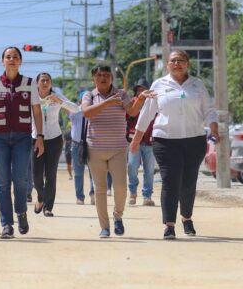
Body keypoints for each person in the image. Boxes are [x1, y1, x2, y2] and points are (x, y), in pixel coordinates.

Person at [131, 49, 218, 240]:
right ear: (167, 64)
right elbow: (147, 114)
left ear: (187, 64)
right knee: (170, 181)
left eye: (181, 60)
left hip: (194, 140)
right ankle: (169, 225)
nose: (177, 63)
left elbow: (209, 110)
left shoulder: (197, 85)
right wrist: (136, 140)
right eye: (173, 60)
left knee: (188, 182)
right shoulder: (159, 84)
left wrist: (214, 129)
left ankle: (187, 218)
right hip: (165, 140)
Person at [0, 46, 44, 239]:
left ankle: (21, 212)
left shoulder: (29, 83)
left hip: (22, 138)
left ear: (21, 61)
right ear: (2, 61)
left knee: (20, 179)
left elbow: (37, 112)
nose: (12, 59)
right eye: (8, 57)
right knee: (3, 183)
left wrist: (39, 136)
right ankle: (6, 224)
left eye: (15, 57)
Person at [81, 65, 152, 238]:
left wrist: (141, 99)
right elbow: (87, 113)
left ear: (112, 78)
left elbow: (132, 112)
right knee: (100, 189)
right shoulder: (89, 95)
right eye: (99, 76)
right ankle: (104, 227)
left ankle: (118, 216)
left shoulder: (121, 94)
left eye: (106, 75)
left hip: (118, 149)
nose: (103, 78)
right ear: (93, 79)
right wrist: (107, 102)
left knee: (120, 187)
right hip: (95, 149)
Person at [32, 73, 79, 217]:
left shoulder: (57, 96)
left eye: (48, 80)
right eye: (42, 80)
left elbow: (76, 109)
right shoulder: (32, 97)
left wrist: (59, 101)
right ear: (37, 83)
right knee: (37, 175)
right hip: (35, 138)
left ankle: (48, 207)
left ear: (51, 83)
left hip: (54, 139)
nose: (45, 83)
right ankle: (40, 197)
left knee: (51, 174)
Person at [126, 77, 156, 207]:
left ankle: (147, 196)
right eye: (139, 90)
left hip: (150, 142)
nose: (141, 92)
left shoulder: (154, 103)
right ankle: (132, 193)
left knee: (149, 170)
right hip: (134, 142)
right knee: (132, 167)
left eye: (144, 89)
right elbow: (127, 118)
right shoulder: (132, 103)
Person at [69, 109, 95, 205]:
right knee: (78, 173)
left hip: (91, 144)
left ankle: (93, 194)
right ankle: (80, 197)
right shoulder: (75, 112)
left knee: (93, 172)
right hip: (77, 145)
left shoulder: (95, 111)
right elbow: (65, 105)